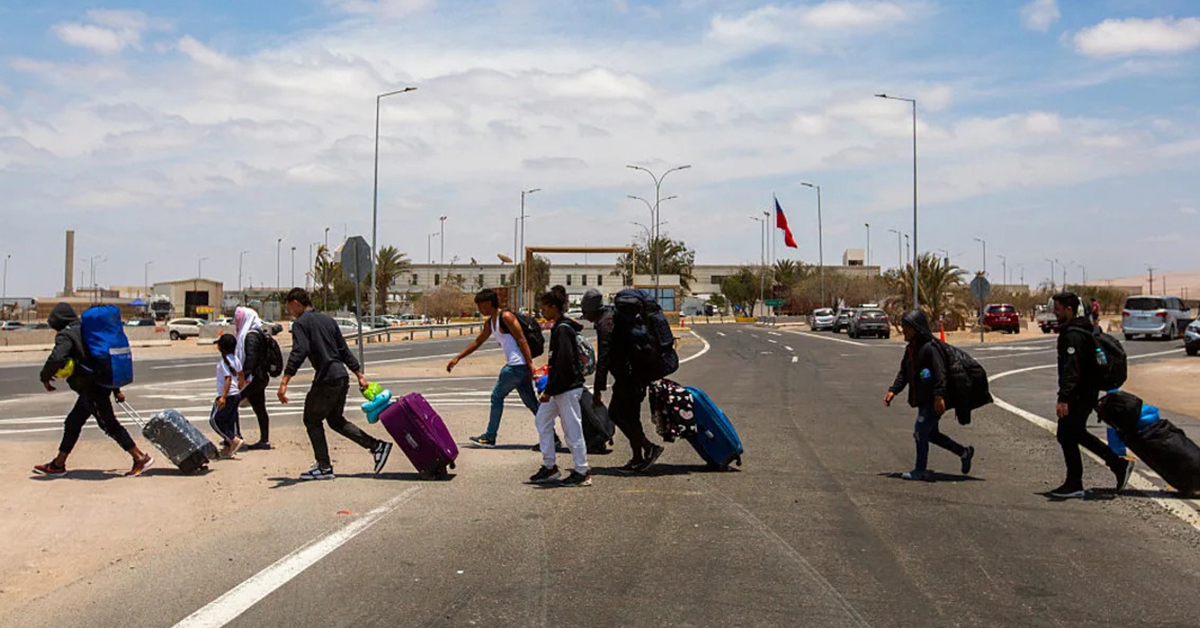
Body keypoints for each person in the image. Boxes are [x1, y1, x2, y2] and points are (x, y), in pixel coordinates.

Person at [277, 288, 392, 481]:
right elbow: (344, 350)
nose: (290, 312)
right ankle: (377, 446)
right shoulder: (328, 321)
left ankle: (324, 467)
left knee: (311, 420)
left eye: (289, 307)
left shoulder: (300, 324)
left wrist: (284, 381)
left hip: (327, 379)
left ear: (296, 303)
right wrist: (359, 375)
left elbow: (299, 351)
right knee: (335, 420)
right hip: (341, 377)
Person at [33, 303, 154, 477]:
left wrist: (45, 377)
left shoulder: (66, 334)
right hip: (100, 383)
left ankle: (140, 457)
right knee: (73, 422)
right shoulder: (87, 330)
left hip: (92, 388)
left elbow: (57, 358)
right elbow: (101, 358)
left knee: (108, 424)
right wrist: (115, 389)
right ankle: (58, 464)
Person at [447, 289, 560, 450]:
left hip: (515, 367)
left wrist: (530, 365)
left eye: (480, 305)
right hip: (519, 368)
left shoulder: (505, 317)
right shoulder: (490, 322)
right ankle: (552, 438)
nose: (479, 309)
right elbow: (478, 341)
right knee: (532, 403)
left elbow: (522, 339)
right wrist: (458, 357)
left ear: (488, 303)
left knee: (496, 396)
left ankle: (490, 436)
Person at [1049, 292, 1134, 498]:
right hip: (1086, 392)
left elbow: (1072, 369)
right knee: (1073, 433)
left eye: (1058, 309)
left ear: (1069, 309)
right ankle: (1116, 465)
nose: (1055, 312)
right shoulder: (1082, 329)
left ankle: (1075, 483)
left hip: (1079, 394)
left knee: (1067, 433)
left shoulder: (1073, 335)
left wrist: (1064, 398)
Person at [579, 288, 663, 472]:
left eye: (585, 312)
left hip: (629, 376)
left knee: (617, 414)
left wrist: (598, 389)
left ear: (593, 309)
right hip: (633, 374)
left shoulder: (605, 323)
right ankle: (638, 457)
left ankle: (648, 449)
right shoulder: (612, 317)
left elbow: (604, 357)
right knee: (630, 416)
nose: (585, 316)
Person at [884, 310, 974, 481]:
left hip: (933, 401)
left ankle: (919, 469)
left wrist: (939, 396)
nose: (903, 331)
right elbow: (904, 373)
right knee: (931, 434)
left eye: (906, 328)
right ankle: (964, 452)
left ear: (916, 329)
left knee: (920, 432)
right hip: (923, 400)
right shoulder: (911, 349)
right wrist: (893, 391)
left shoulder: (930, 349)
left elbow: (940, 374)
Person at [529, 286, 591, 486]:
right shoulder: (560, 326)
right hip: (559, 388)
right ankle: (550, 467)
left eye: (544, 308)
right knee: (542, 420)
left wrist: (550, 390)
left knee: (572, 429)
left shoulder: (563, 330)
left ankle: (582, 471)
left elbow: (564, 363)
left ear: (554, 307)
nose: (542, 312)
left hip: (567, 388)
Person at [235, 306, 273, 450]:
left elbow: (251, 358)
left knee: (232, 403)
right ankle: (264, 440)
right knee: (260, 408)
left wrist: (242, 377)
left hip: (253, 379)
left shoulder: (250, 335)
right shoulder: (258, 333)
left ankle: (235, 437)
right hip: (260, 377)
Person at [210, 334, 243, 458]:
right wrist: (240, 385)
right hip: (236, 395)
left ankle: (233, 439)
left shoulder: (224, 362)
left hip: (227, 395)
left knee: (215, 420)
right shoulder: (235, 359)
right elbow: (241, 373)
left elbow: (228, 380)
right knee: (229, 421)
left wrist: (223, 397)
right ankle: (228, 448)